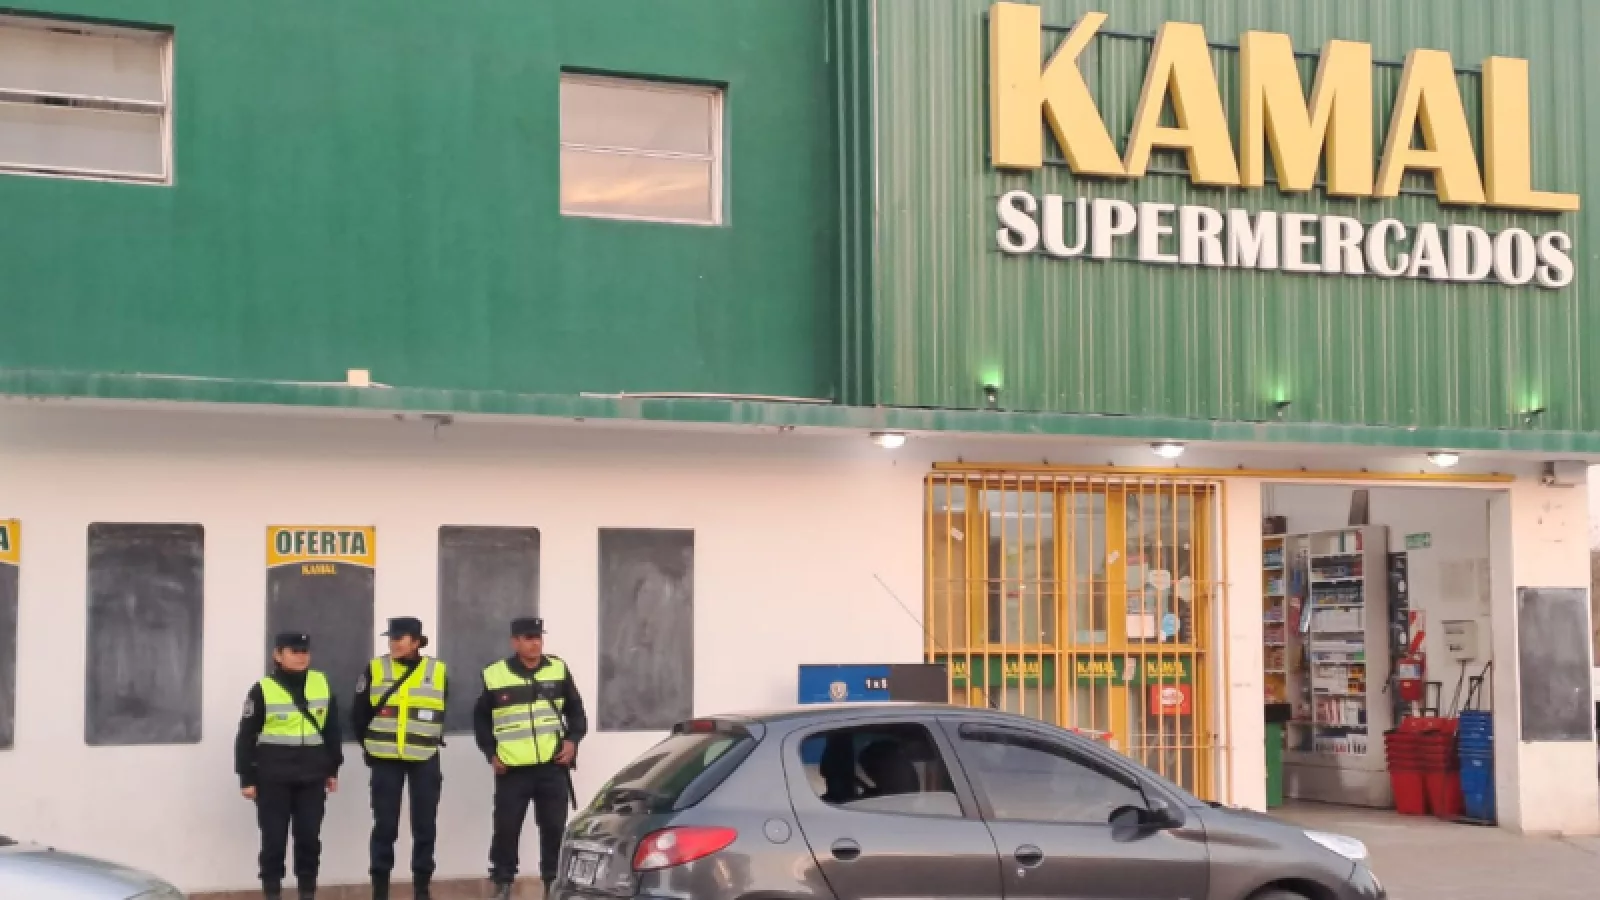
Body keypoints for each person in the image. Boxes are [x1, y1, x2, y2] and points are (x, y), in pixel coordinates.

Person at [475, 617, 588, 900]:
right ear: (515, 642)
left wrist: (572, 741)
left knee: (553, 828)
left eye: (538, 637)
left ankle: (552, 884)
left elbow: (576, 712)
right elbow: (481, 720)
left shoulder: (557, 669)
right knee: (506, 829)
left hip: (552, 767)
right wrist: (491, 754)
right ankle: (503, 884)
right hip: (512, 770)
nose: (535, 643)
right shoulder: (496, 674)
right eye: (528, 638)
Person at [235, 632, 343, 900]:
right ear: (278, 655)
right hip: (273, 778)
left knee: (309, 840)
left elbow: (332, 730)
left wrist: (332, 769)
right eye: (294, 651)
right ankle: (272, 892)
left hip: (312, 777)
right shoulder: (262, 689)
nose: (300, 657)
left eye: (304, 651)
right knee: (274, 841)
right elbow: (246, 736)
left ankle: (307, 892)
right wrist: (246, 778)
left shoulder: (321, 683)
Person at [352, 616, 449, 900]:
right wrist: (370, 749)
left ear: (416, 642)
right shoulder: (375, 668)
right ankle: (380, 889)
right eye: (391, 639)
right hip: (386, 760)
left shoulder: (438, 670)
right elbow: (358, 714)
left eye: (399, 638)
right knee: (385, 826)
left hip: (424, 757)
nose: (393, 644)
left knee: (425, 826)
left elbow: (441, 709)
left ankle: (422, 889)